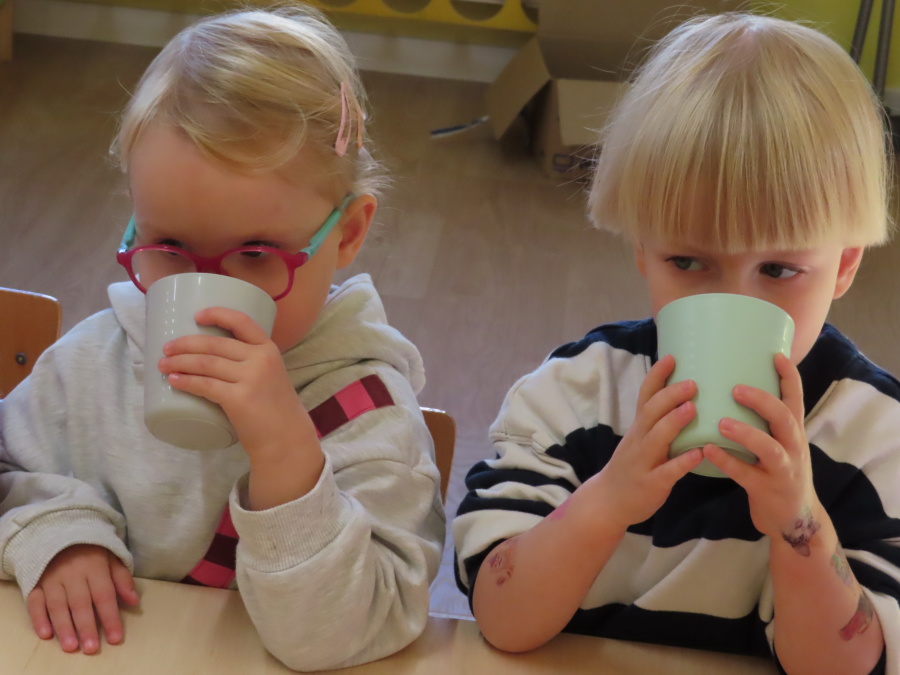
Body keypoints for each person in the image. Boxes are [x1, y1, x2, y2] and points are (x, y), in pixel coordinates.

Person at [453, 13, 900, 675]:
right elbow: (502, 618)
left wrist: (797, 521)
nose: (736, 303)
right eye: (688, 261)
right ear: (642, 247)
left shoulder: (876, 435)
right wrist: (609, 499)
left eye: (780, 270)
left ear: (843, 266)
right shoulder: (574, 396)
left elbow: (845, 666)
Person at [0, 6, 445, 671]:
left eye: (256, 254)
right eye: (168, 248)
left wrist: (287, 457)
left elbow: (345, 634)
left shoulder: (368, 415)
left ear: (348, 233)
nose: (206, 294)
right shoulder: (94, 360)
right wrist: (58, 532)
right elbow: (10, 471)